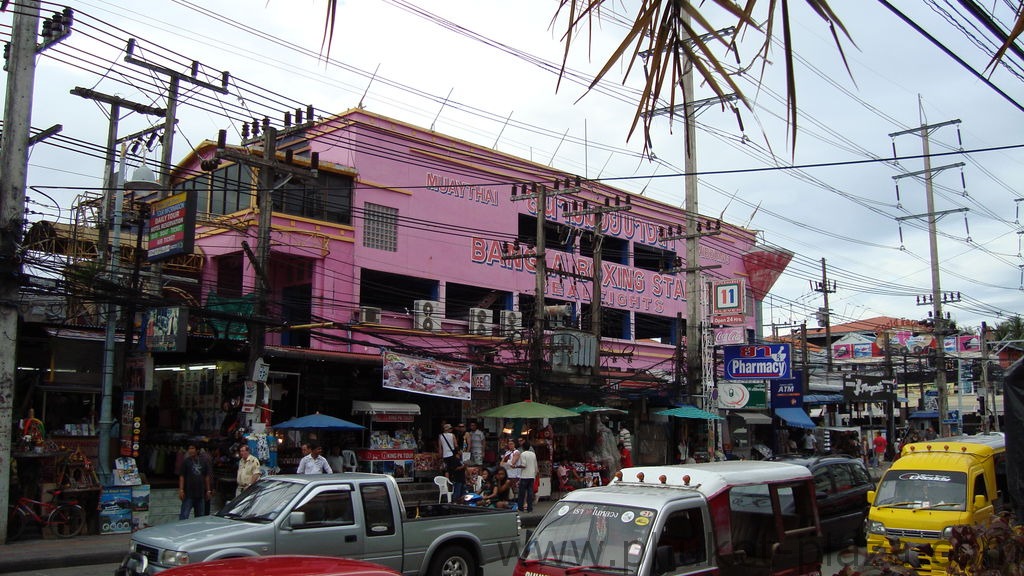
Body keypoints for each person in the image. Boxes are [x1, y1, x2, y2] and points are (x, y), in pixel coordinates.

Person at [178, 443, 212, 519]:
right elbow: (182, 476)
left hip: (200, 494)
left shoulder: (203, 461)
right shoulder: (186, 462)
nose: (190, 451)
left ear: (197, 450)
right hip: (188, 494)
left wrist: (208, 490)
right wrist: (181, 490)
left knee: (200, 517)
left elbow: (206, 476)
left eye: (192, 448)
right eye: (189, 449)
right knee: (184, 516)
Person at [517, 439, 538, 513]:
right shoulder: (533, 454)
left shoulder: (523, 454)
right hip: (532, 475)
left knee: (522, 493)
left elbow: (524, 465)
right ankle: (530, 508)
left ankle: (520, 507)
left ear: (523, 447)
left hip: (524, 476)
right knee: (530, 492)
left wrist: (516, 466)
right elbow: (536, 466)